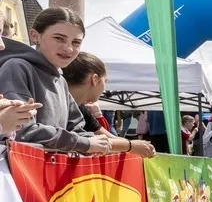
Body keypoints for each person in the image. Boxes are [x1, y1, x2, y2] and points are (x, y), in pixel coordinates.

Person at [0, 8, 109, 155]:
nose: (68, 48)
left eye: (76, 42)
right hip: (24, 172)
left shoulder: (61, 80)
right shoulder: (17, 67)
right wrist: (84, 143)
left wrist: (90, 143)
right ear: (35, 36)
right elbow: (21, 130)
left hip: (53, 173)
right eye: (59, 38)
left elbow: (76, 127)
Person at [62, 52, 156, 157]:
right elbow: (76, 141)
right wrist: (130, 145)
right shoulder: (59, 104)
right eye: (105, 81)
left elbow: (106, 136)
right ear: (95, 79)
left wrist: (136, 145)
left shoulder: (79, 108)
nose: (105, 88)